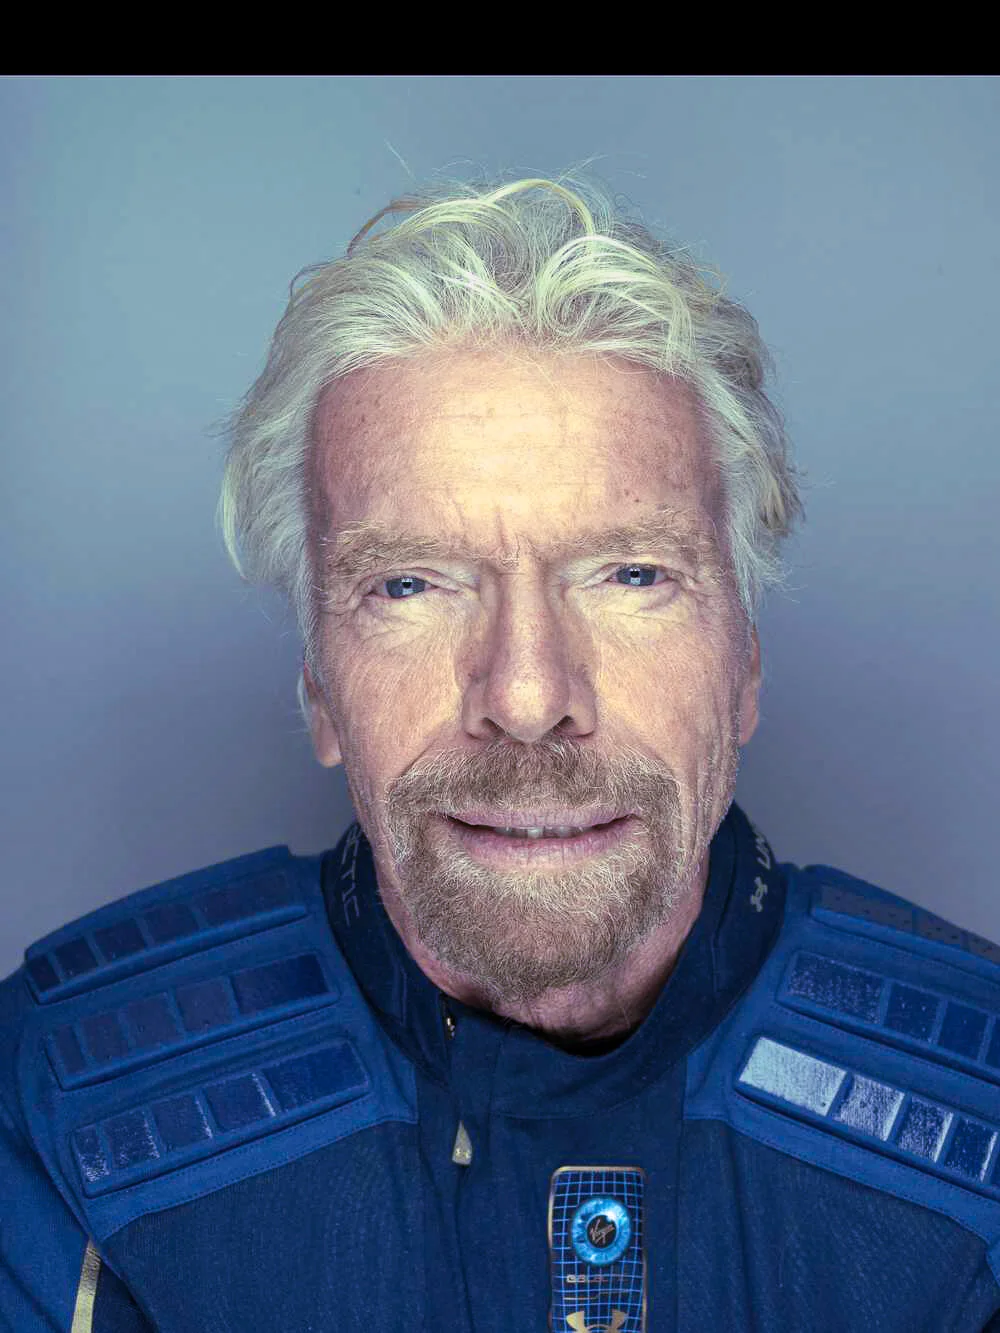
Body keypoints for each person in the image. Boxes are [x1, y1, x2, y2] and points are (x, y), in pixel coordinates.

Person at [2, 169, 999, 1333]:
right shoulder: (66, 1096)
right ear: (319, 682)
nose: (526, 696)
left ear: (744, 667)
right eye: (410, 584)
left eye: (631, 573)